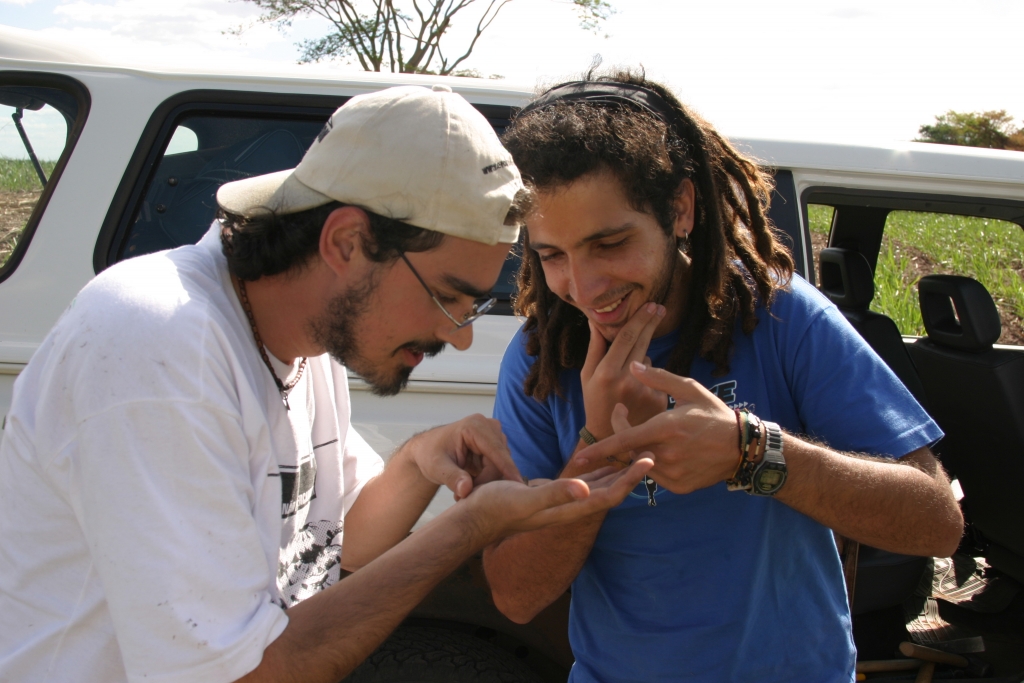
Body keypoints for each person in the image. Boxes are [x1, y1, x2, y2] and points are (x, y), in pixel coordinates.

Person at [0, 85, 653, 683]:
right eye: (451, 297)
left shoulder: (302, 345)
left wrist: (420, 459)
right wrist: (465, 529)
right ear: (346, 240)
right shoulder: (158, 342)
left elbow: (337, 544)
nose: (457, 335)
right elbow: (244, 674)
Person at [482, 72, 964, 682]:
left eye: (609, 243)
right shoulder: (540, 362)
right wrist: (598, 446)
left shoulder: (781, 317)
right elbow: (515, 593)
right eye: (551, 254)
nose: (583, 287)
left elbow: (936, 523)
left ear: (680, 208)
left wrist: (750, 451)